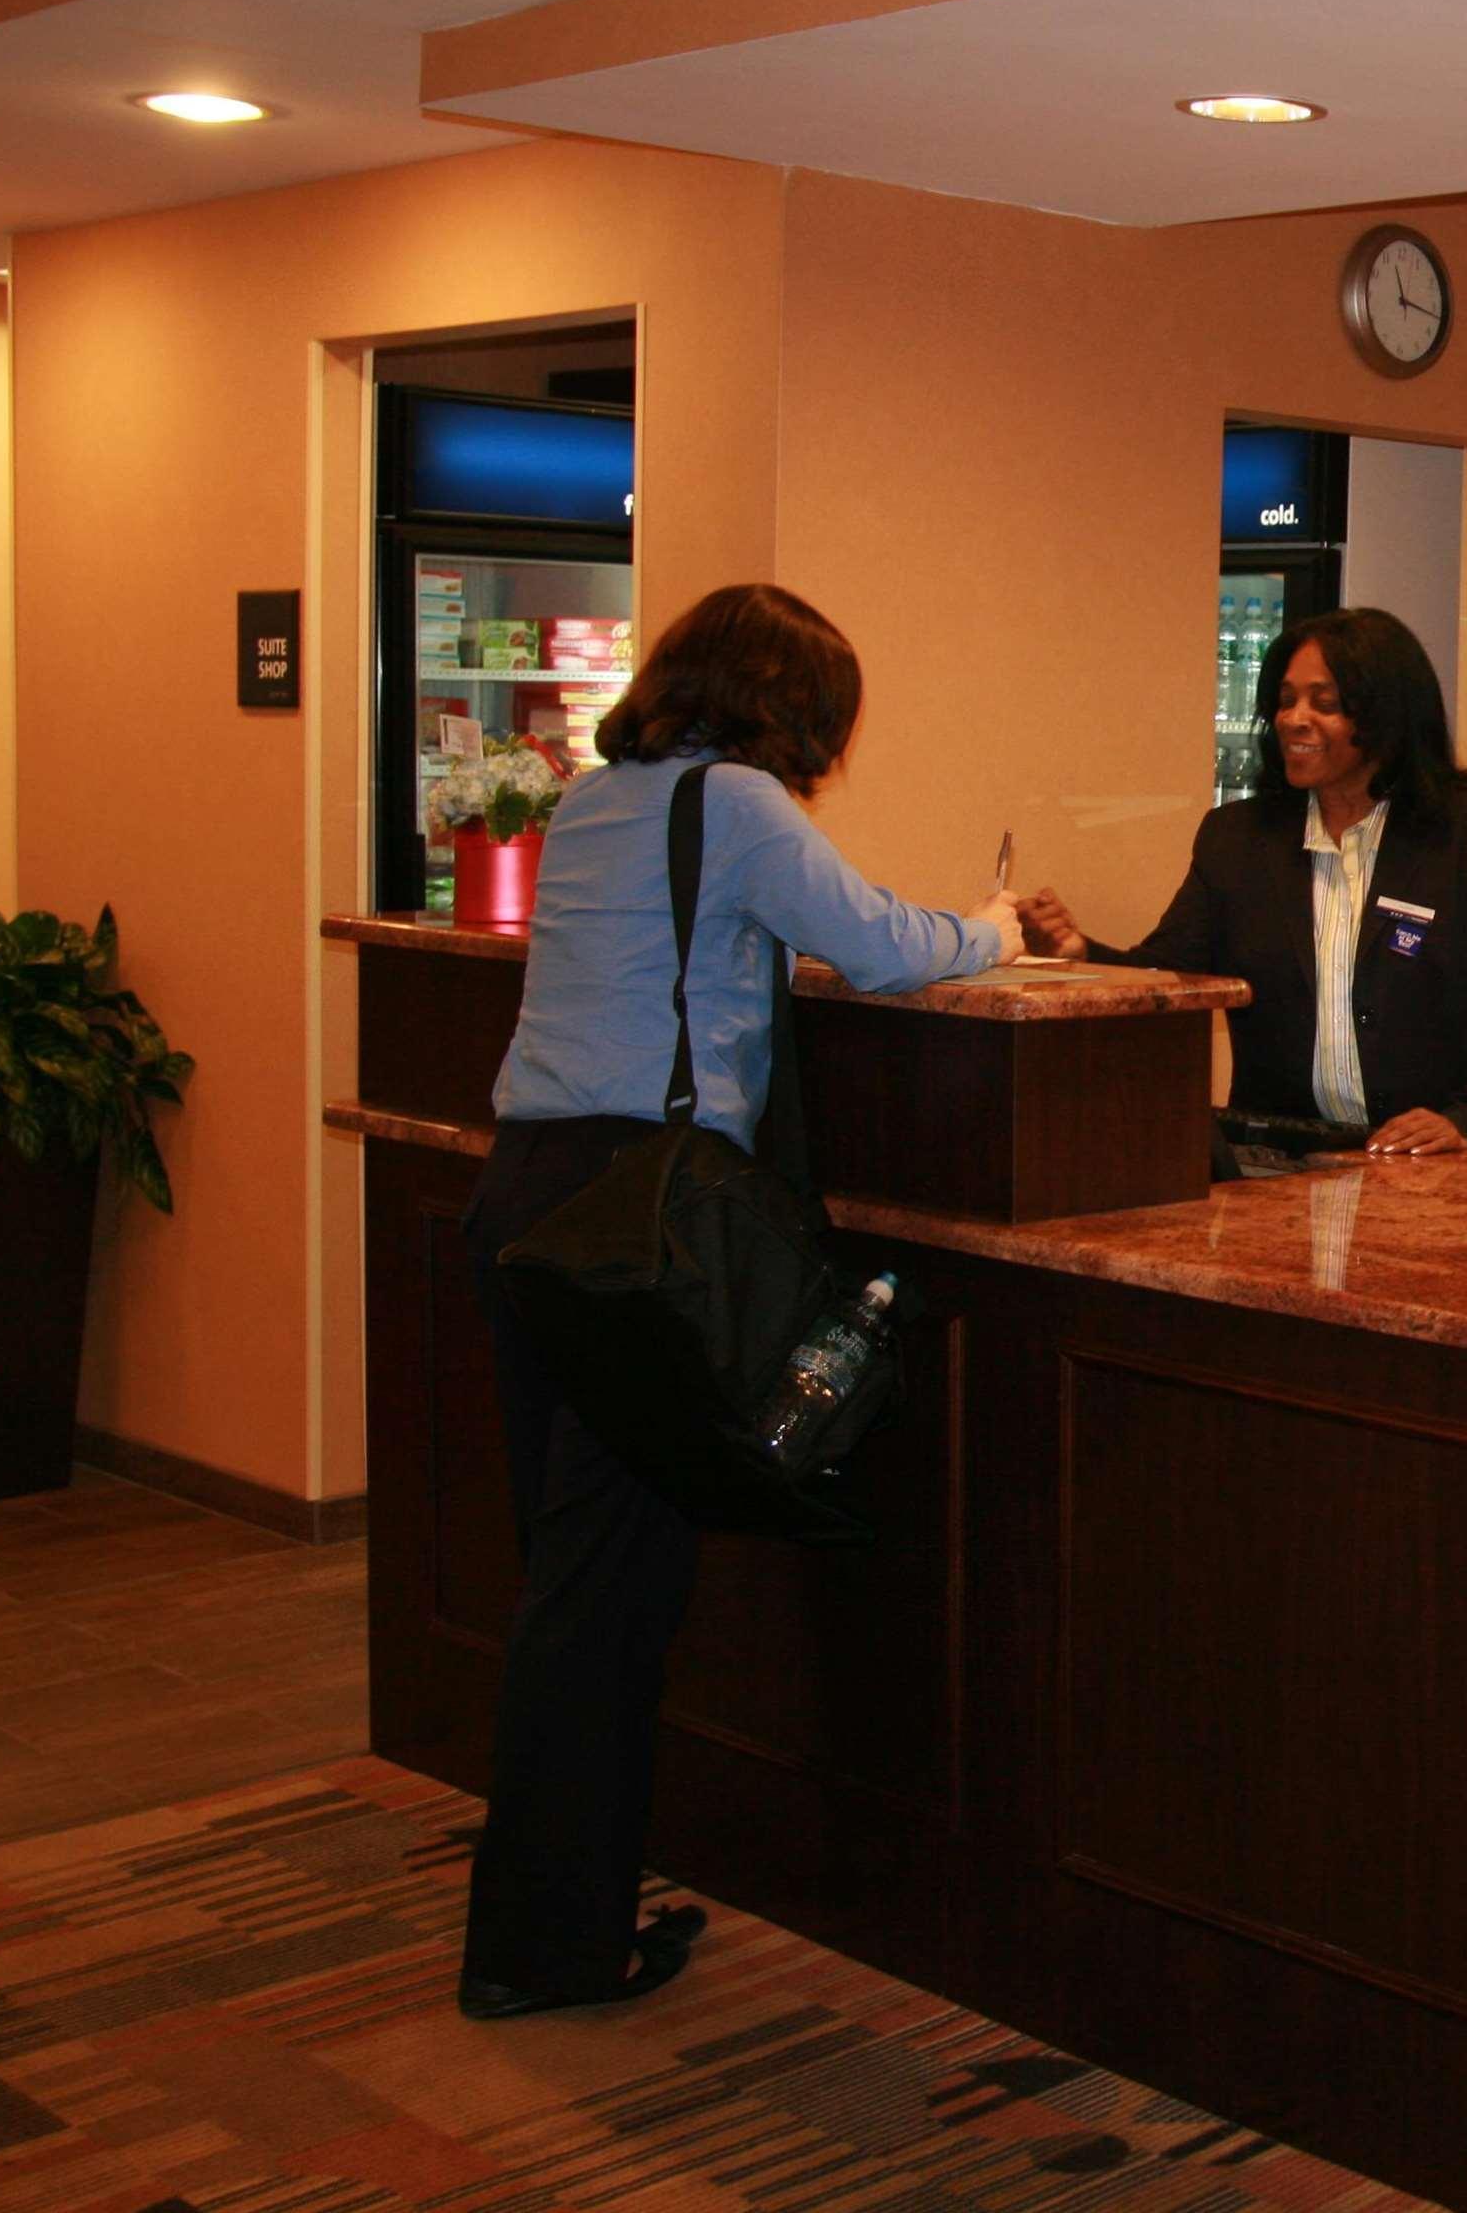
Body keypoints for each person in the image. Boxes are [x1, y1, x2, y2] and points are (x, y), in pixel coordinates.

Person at [456, 582, 1020, 2020]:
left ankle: (554, 1919)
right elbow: (893, 944)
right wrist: (999, 927)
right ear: (789, 706)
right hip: (639, 1224)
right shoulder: (740, 806)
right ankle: (545, 1951)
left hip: (527, 1194)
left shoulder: (597, 800)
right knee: (605, 1600)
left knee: (566, 1582)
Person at [1019, 606, 1467, 1158]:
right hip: (1286, 1163)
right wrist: (1078, 953)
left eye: (1325, 703)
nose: (1294, 719)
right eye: (1286, 701)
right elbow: (1172, 982)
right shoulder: (1237, 839)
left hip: (1452, 1164)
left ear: (1388, 714)